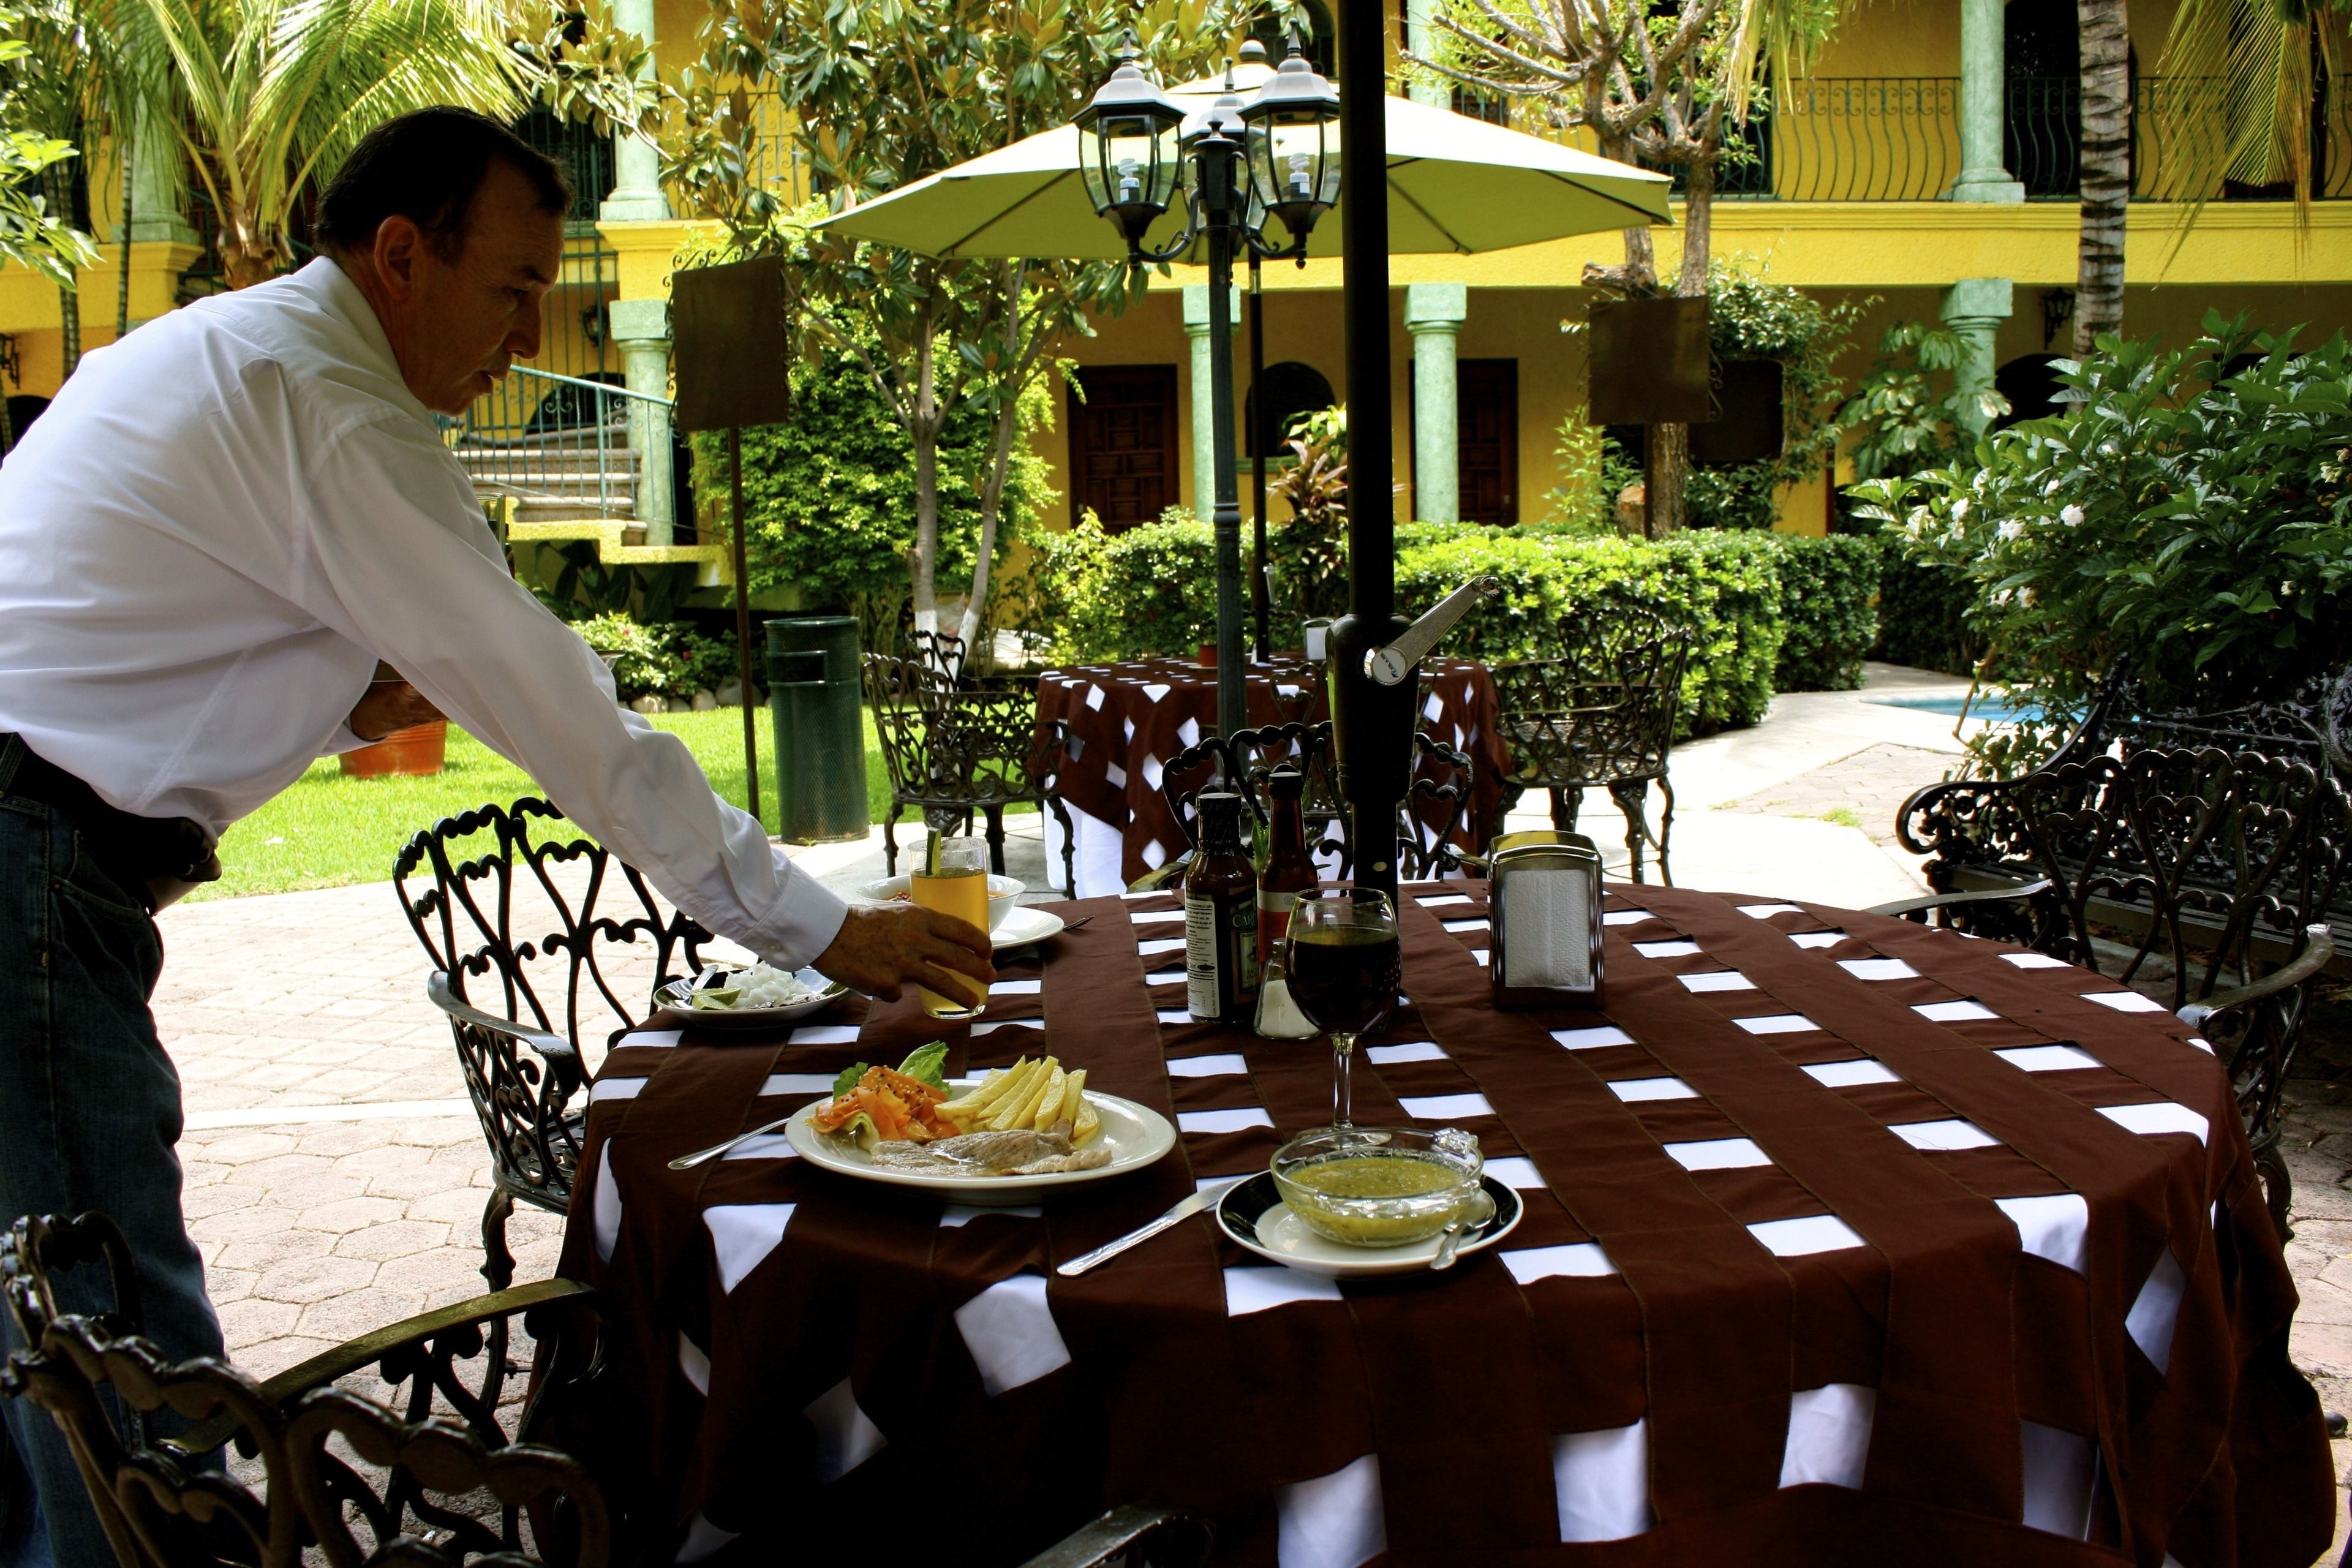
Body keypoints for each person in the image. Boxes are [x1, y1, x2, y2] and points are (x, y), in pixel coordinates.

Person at [0, 107, 994, 1568]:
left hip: (41, 843)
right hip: (30, 875)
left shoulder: (221, 352)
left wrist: (343, 692)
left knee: (39, 1370)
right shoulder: (330, 400)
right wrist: (823, 925)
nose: (532, 329)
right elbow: (566, 714)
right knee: (123, 1383)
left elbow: (137, 634)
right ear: (402, 255)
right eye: (516, 286)